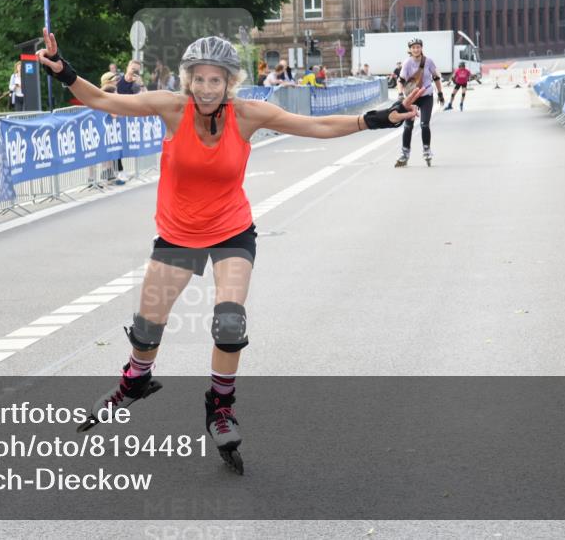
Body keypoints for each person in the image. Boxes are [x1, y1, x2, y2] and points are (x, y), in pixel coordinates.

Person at [36, 28, 421, 473]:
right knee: (147, 328)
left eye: (214, 80)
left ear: (228, 83)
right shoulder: (171, 107)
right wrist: (64, 70)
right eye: (197, 79)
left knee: (230, 321)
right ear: (187, 80)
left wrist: (376, 119)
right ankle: (136, 379)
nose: (204, 88)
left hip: (230, 229)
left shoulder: (248, 115)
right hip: (178, 232)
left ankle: (220, 406)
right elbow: (106, 102)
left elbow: (314, 126)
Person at [395, 37, 443, 167]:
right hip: (412, 98)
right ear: (410, 50)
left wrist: (440, 93)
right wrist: (400, 94)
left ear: (421, 48)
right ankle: (405, 153)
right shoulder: (407, 63)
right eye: (413, 47)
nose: (416, 49)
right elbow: (400, 80)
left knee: (424, 124)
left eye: (418, 47)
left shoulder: (428, 62)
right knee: (408, 126)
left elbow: (436, 77)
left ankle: (427, 150)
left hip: (426, 96)